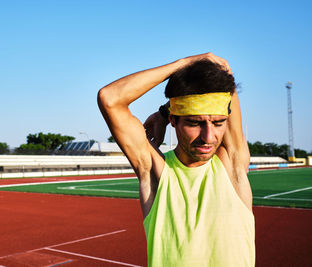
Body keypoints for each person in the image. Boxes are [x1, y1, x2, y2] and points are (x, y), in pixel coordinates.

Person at [97, 53, 255, 266]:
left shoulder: (232, 163)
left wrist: (163, 112)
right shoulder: (156, 171)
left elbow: (224, 70)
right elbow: (110, 98)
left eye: (218, 123)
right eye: (194, 123)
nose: (209, 137)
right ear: (173, 120)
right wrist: (183, 64)